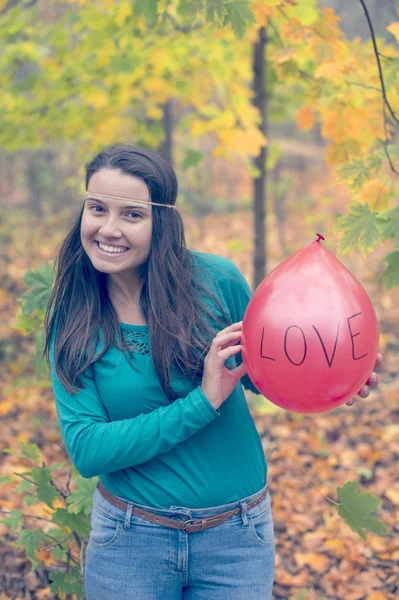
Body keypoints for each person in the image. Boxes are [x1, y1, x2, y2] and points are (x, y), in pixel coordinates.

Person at [44, 143, 382, 600]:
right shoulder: (75, 314)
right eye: (97, 208)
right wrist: (202, 401)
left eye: (132, 215)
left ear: (161, 221)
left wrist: (336, 371)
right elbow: (88, 450)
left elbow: (265, 371)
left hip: (237, 539)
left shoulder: (216, 281)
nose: (109, 228)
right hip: (130, 543)